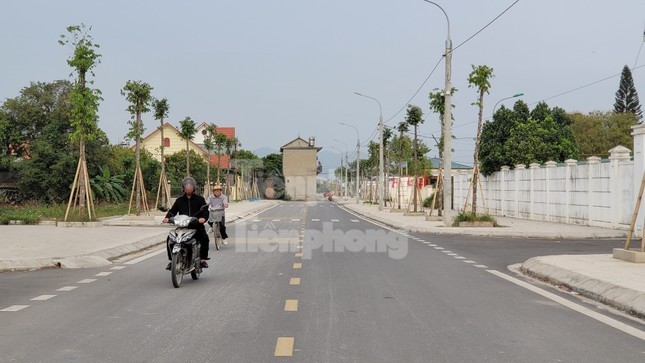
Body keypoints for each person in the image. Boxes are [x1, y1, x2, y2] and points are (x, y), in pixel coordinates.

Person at [163, 177, 210, 269]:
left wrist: (203, 218)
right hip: (182, 226)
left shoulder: (200, 199)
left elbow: (205, 211)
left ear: (194, 187)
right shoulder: (179, 200)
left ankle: (203, 260)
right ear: (183, 188)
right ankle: (172, 260)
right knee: (170, 239)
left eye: (190, 186)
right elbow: (172, 211)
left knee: (204, 238)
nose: (188, 187)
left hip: (196, 226)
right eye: (186, 186)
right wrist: (167, 218)